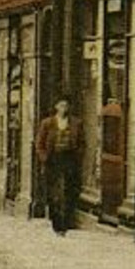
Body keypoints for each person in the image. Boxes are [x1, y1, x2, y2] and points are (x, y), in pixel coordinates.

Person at [35, 98, 82, 235]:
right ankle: (57, 224)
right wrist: (44, 158)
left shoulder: (76, 123)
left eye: (66, 105)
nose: (64, 108)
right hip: (53, 159)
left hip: (69, 159)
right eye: (61, 105)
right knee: (54, 193)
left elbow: (81, 143)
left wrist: (77, 157)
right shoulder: (47, 123)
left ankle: (66, 222)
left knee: (68, 191)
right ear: (56, 107)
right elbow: (39, 143)